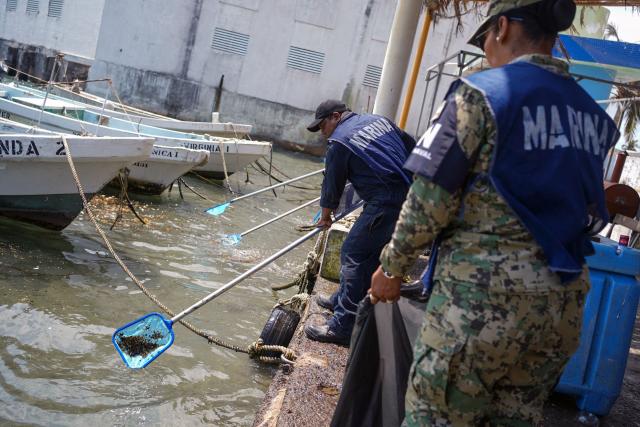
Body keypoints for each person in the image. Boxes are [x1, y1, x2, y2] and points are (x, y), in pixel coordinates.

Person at [369, 0, 620, 425]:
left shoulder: (481, 93)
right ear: (553, 39)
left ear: (501, 28)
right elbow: (592, 207)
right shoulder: (592, 117)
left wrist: (392, 269)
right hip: (558, 312)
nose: (486, 46)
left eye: (485, 35)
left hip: (479, 307)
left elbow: (429, 200)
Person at [304, 99, 416, 345]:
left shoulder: (339, 142)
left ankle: (343, 326)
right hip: (409, 194)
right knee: (369, 252)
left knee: (353, 253)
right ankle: (342, 300)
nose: (323, 133)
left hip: (386, 201)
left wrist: (325, 217)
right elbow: (412, 146)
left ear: (336, 116)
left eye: (322, 127)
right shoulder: (379, 120)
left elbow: (331, 186)